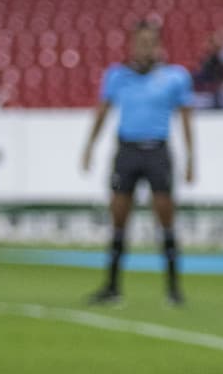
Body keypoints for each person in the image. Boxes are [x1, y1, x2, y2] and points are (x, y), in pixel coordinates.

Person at [81, 22, 195, 306]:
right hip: (127, 151)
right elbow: (103, 111)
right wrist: (89, 147)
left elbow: (185, 118)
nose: (145, 47)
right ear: (132, 44)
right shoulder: (117, 76)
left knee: (165, 219)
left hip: (157, 151)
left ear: (158, 45)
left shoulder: (175, 77)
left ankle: (173, 289)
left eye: (150, 42)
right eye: (140, 42)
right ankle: (112, 287)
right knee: (119, 219)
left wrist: (191, 158)